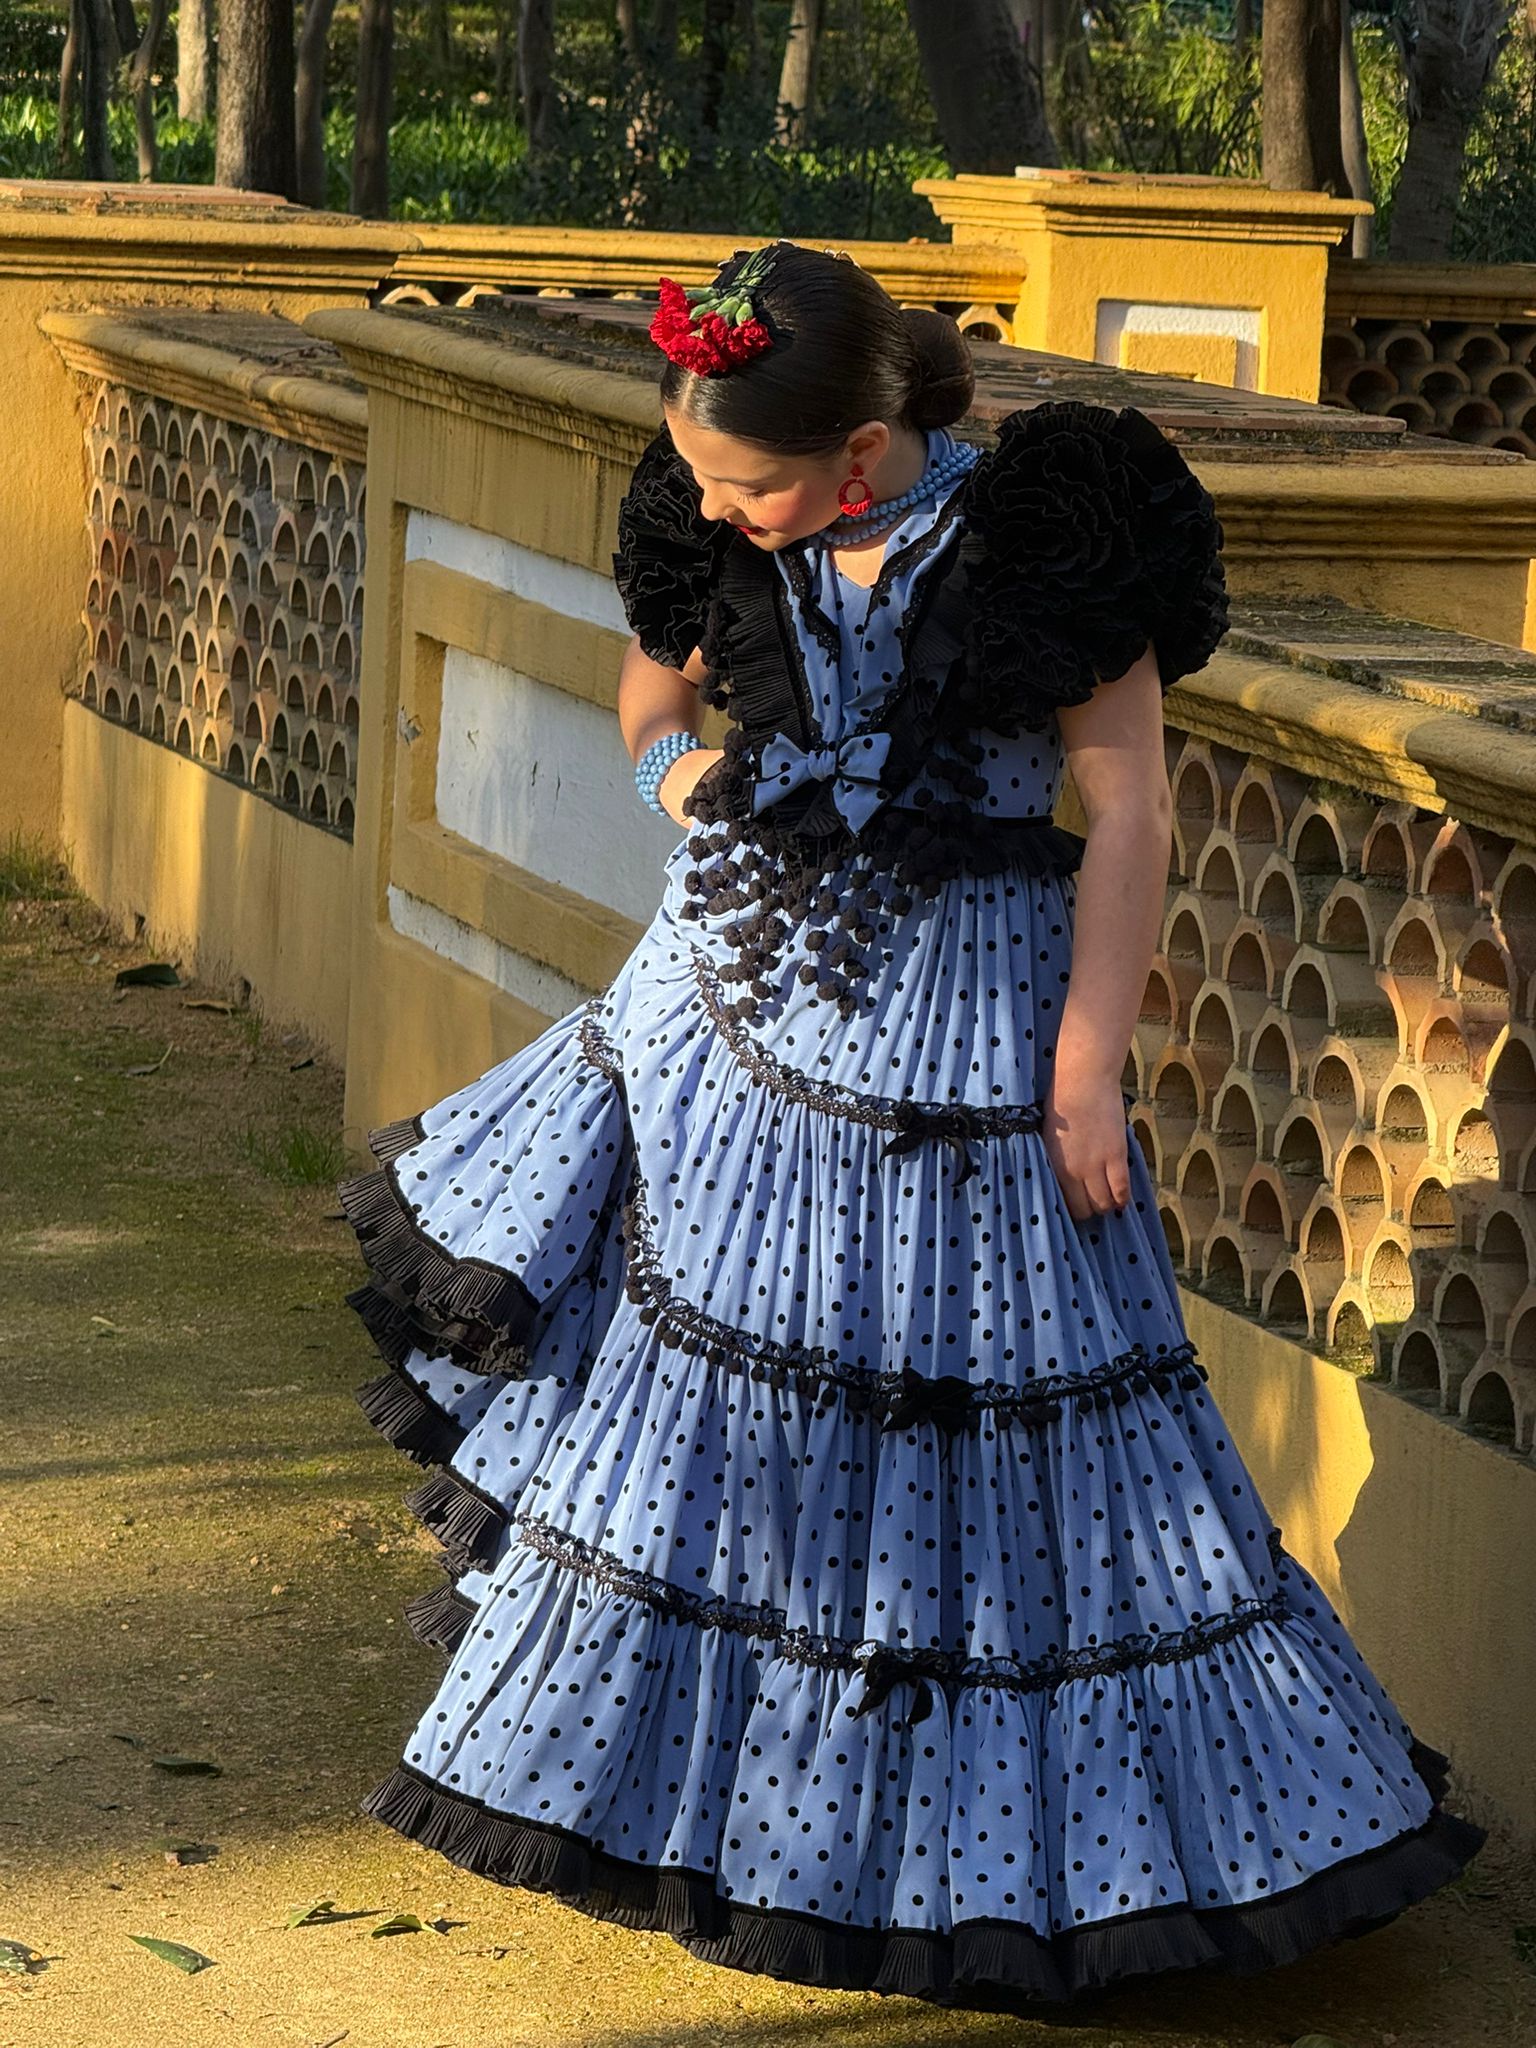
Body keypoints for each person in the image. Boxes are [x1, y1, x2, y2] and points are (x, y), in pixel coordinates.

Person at [336, 239, 1485, 2015]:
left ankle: (1043, 1866)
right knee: (713, 1431)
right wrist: (677, 774)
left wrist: (1087, 1061)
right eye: (702, 476)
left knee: (1028, 1431)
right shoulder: (709, 510)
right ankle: (734, 1831)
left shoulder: (1051, 535)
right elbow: (653, 692)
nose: (718, 508)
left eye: (752, 485)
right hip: (732, 1019)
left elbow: (1129, 819)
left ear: (860, 454)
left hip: (982, 1036)